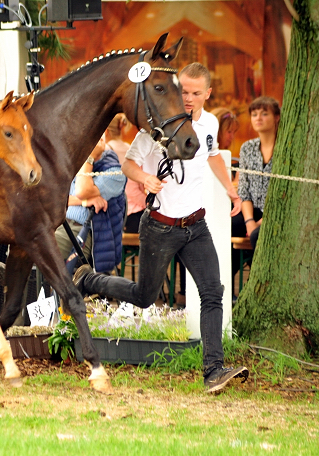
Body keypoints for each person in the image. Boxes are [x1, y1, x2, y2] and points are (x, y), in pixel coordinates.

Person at [72, 63, 249, 393]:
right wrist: (145, 178)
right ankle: (87, 279)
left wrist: (230, 188)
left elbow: (211, 156)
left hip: (196, 226)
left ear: (208, 94)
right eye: (183, 91)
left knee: (213, 293)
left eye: (196, 93)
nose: (189, 98)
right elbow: (127, 164)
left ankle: (213, 370)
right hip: (160, 228)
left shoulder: (209, 124)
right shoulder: (154, 129)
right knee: (144, 296)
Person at [54, 132, 126, 272]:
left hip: (85, 232)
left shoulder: (115, 172)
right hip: (60, 223)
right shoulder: (72, 162)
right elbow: (54, 198)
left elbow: (81, 191)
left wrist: (90, 158)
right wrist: (83, 202)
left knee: (42, 247)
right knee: (23, 237)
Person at [231, 96, 280, 278]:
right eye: (254, 114)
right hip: (251, 210)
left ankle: (259, 282)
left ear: (276, 117)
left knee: (257, 235)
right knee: (228, 227)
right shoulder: (247, 148)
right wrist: (249, 220)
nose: (258, 118)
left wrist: (262, 221)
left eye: (264, 113)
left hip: (277, 211)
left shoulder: (285, 147)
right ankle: (223, 285)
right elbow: (243, 189)